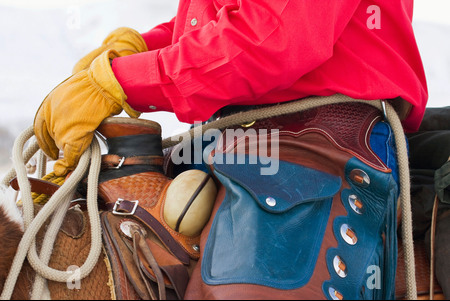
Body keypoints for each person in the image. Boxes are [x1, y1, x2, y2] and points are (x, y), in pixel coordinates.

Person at [34, 0, 427, 177]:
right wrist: (134, 51)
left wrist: (121, 81)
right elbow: (223, 21)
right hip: (246, 134)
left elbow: (272, 39)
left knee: (245, 285)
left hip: (323, 136)